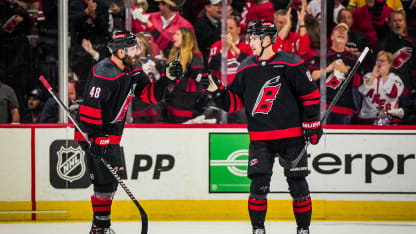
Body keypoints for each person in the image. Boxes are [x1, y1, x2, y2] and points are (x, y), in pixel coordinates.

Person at [200, 20, 321, 234]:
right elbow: (235, 102)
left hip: (291, 136)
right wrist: (216, 91)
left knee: (297, 183)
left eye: (254, 38)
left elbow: (310, 94)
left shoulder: (291, 63)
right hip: (260, 137)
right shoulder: (247, 66)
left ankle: (303, 229)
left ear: (267, 40)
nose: (250, 42)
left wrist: (312, 122)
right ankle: (258, 229)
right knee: (258, 186)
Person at [75, 30, 182, 234]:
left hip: (110, 134)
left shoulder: (132, 69)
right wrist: (96, 138)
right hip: (94, 133)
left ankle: (98, 226)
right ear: (121, 52)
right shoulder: (104, 72)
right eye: (134, 48)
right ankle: (100, 228)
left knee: (110, 182)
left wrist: (167, 79)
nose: (138, 51)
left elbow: (148, 95)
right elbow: (90, 109)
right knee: (104, 182)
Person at [310, 23, 360, 124]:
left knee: (342, 140)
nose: (341, 32)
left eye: (344, 31)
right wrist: (328, 69)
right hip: (323, 106)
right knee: (322, 138)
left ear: (347, 39)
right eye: (338, 30)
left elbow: (358, 82)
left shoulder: (352, 58)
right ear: (332, 36)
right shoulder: (322, 54)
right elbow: (311, 76)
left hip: (345, 108)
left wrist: (346, 70)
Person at [358, 50, 404, 124]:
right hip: (367, 118)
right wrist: (373, 76)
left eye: (382, 61)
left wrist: (384, 76)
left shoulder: (395, 79)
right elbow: (362, 91)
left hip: (388, 119)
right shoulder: (368, 76)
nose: (379, 63)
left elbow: (393, 93)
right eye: (378, 60)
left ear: (389, 64)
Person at [193, 0, 223, 71]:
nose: (219, 8)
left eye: (220, 5)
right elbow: (208, 42)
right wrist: (221, 25)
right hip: (207, 65)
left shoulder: (226, 23)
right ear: (207, 7)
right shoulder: (199, 24)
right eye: (216, 5)